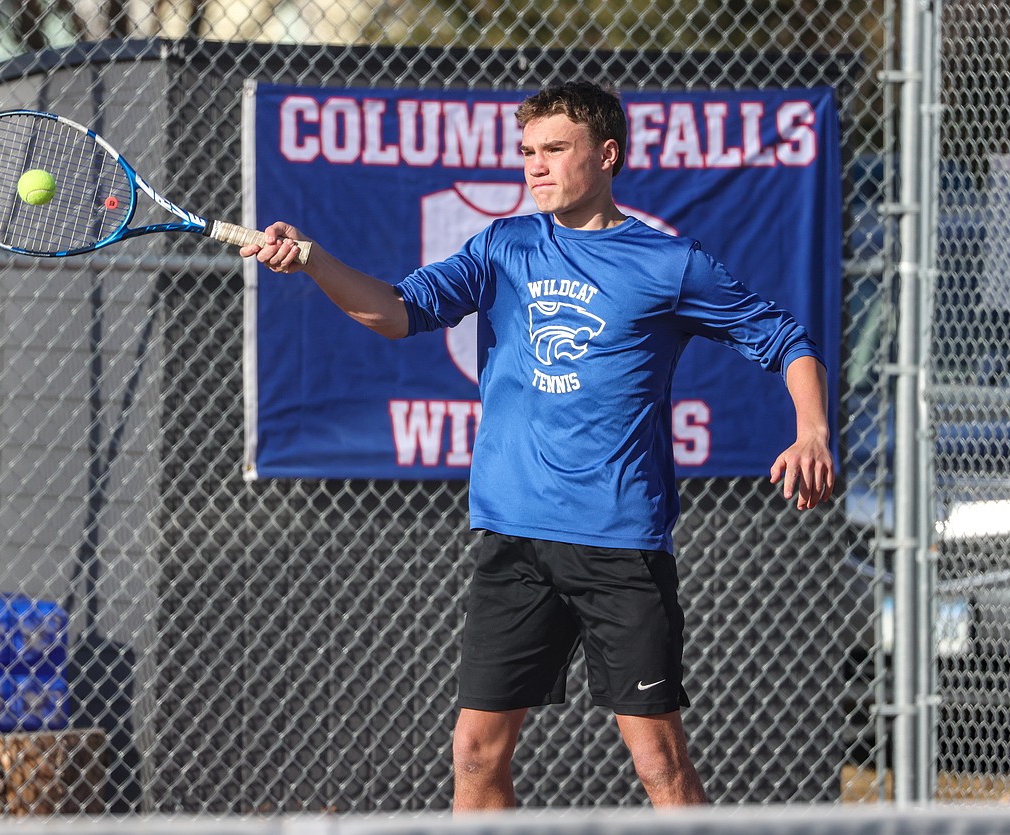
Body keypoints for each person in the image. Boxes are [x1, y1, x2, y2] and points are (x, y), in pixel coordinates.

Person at [242, 80, 835, 810]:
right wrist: (311, 258)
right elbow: (398, 311)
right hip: (516, 542)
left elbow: (785, 337)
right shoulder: (502, 245)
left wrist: (812, 430)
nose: (535, 166)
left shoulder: (669, 264)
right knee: (475, 749)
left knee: (658, 761)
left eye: (555, 149)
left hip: (620, 545)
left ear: (607, 155)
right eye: (527, 151)